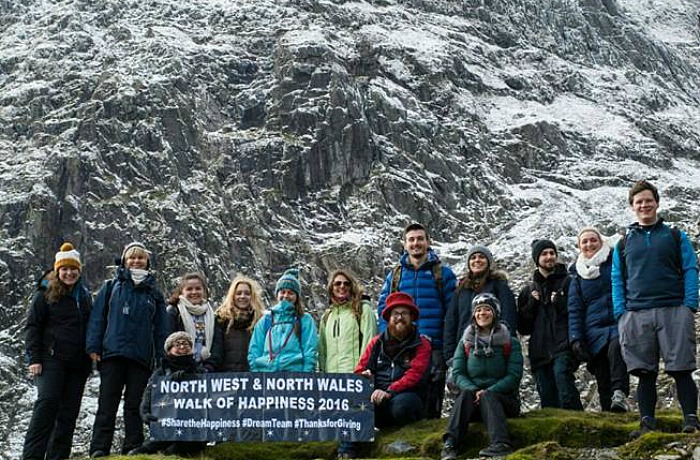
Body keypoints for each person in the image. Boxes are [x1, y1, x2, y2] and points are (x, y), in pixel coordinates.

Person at [611, 180, 699, 437]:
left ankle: (691, 421)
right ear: (632, 207)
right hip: (636, 313)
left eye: (648, 200)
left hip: (674, 309)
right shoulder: (624, 243)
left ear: (657, 203)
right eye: (639, 202)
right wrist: (621, 313)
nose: (644, 205)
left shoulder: (675, 235)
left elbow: (690, 268)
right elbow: (618, 278)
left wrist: (689, 305)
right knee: (644, 372)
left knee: (681, 368)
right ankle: (647, 423)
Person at [86, 242, 170, 457]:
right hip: (112, 354)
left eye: (140, 257)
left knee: (135, 406)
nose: (136, 261)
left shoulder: (154, 294)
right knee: (107, 404)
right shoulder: (111, 287)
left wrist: (161, 356)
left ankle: (132, 447)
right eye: (132, 257)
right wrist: (94, 346)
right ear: (124, 261)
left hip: (141, 358)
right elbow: (97, 318)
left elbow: (161, 329)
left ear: (147, 262)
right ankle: (99, 448)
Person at [376, 223, 457, 419]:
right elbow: (383, 310)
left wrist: (448, 345)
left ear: (428, 242)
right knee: (406, 391)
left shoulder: (443, 274)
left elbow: (453, 312)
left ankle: (430, 441)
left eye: (420, 239)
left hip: (434, 345)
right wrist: (387, 340)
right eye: (411, 240)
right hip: (403, 347)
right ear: (404, 244)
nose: (415, 243)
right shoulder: (395, 276)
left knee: (433, 394)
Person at [22, 243, 92, 460]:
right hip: (50, 359)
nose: (69, 273)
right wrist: (34, 358)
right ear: (57, 270)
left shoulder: (85, 296)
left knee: (68, 415)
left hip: (78, 364)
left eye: (73, 269)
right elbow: (33, 326)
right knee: (47, 405)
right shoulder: (44, 294)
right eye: (64, 269)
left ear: (79, 271)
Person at [441, 293, 523, 459]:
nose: (482, 313)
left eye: (487, 309)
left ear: (495, 313)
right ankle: (450, 444)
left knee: (489, 395)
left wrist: (489, 391)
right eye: (478, 310)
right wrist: (474, 390)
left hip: (503, 401)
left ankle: (501, 443)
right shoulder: (465, 342)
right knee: (464, 395)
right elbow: (457, 373)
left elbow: (514, 376)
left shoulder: (510, 342)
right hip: (472, 401)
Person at [567, 227, 629, 412]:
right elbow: (575, 310)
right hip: (593, 331)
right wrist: (576, 338)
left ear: (601, 241)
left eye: (593, 240)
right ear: (579, 246)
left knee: (617, 348)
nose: (589, 244)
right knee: (602, 374)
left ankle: (620, 393)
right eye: (584, 241)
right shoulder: (577, 276)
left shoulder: (615, 262)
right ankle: (612, 419)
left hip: (619, 322)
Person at [517, 239, 582, 410]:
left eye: (552, 253)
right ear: (536, 258)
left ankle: (579, 425)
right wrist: (531, 305)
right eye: (544, 254)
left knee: (565, 387)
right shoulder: (528, 291)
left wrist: (560, 303)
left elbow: (577, 312)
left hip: (563, 345)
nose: (549, 257)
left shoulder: (568, 282)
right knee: (547, 399)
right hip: (539, 351)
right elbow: (523, 328)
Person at [318, 269, 377, 459]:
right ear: (331, 288)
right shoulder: (327, 316)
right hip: (332, 376)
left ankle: (346, 452)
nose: (342, 287)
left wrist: (363, 370)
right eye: (337, 284)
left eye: (346, 283)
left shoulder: (362, 309)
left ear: (352, 286)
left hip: (355, 373)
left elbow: (370, 340)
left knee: (351, 411)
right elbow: (322, 349)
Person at [355, 292, 431, 428]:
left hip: (406, 396)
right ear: (389, 317)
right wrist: (366, 380)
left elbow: (415, 375)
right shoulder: (376, 343)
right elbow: (360, 370)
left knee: (403, 406)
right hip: (377, 397)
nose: (400, 318)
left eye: (404, 313)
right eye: (395, 313)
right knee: (355, 404)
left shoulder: (422, 344)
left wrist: (389, 391)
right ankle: (348, 448)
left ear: (412, 317)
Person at [128, 332, 206, 457]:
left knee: (175, 451)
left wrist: (192, 379)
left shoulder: (201, 371)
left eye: (186, 343)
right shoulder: (160, 373)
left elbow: (210, 397)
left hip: (193, 427)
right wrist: (145, 413)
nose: (182, 346)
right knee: (144, 451)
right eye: (177, 344)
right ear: (169, 350)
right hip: (165, 426)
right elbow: (149, 394)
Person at [444, 245, 517, 364]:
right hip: (464, 351)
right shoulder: (461, 290)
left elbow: (509, 318)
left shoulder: (499, 286)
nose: (477, 260)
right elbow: (451, 322)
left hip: (494, 351)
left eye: (482, 257)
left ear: (488, 262)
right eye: (473, 258)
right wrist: (449, 354)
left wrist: (506, 349)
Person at [248, 268, 318, 372]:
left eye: (290, 293)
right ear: (277, 294)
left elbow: (310, 351)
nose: (286, 296)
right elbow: (254, 350)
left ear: (297, 296)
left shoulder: (304, 319)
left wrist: (306, 376)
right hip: (267, 377)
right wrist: (256, 374)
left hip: (295, 378)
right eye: (283, 292)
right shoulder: (266, 320)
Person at [214, 275, 265, 372]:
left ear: (252, 296)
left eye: (247, 293)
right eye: (238, 293)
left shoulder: (260, 321)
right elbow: (217, 349)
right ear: (232, 296)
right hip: (225, 378)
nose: (242, 296)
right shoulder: (221, 319)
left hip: (252, 377)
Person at [166, 273, 217, 368]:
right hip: (180, 368)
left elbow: (217, 345)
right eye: (189, 289)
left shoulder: (212, 315)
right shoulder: (174, 312)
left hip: (207, 368)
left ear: (204, 291)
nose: (194, 292)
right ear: (182, 292)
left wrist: (209, 366)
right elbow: (168, 343)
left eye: (198, 288)